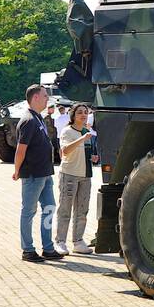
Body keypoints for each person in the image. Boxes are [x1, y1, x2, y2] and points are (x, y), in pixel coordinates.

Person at [12, 84, 63, 263]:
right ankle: (28, 249)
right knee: (29, 211)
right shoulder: (28, 120)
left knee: (49, 208)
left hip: (45, 173)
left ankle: (48, 248)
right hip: (33, 174)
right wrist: (17, 170)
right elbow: (21, 149)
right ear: (34, 98)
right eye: (44, 96)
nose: (47, 99)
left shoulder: (38, 118)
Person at [54, 102, 98, 254]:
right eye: (79, 112)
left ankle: (78, 241)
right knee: (65, 209)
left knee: (82, 210)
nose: (83, 115)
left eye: (85, 112)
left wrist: (94, 158)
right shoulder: (67, 131)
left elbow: (88, 153)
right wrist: (82, 139)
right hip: (69, 174)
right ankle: (60, 241)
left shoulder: (87, 132)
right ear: (73, 115)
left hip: (85, 175)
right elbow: (65, 151)